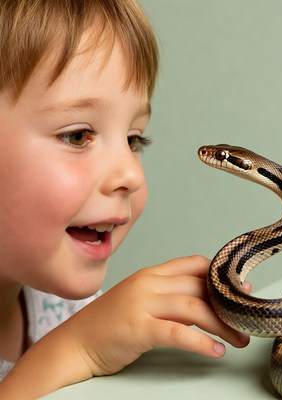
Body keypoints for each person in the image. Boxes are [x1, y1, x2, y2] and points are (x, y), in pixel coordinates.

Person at [0, 0, 250, 398]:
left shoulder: (58, 307)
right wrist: (77, 348)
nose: (131, 175)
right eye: (78, 135)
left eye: (134, 139)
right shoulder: (78, 329)